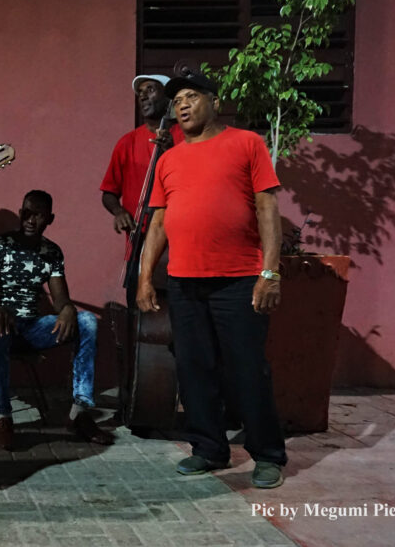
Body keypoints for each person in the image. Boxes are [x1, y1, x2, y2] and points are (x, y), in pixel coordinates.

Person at [135, 70, 288, 489]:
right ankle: (208, 448)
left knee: (247, 369)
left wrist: (269, 273)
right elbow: (158, 222)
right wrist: (146, 278)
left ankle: (268, 454)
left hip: (238, 279)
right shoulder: (168, 159)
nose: (181, 105)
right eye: (177, 100)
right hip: (184, 282)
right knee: (194, 368)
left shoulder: (246, 144)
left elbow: (267, 208)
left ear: (215, 101)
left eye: (191, 96)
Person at [0, 190, 115, 450]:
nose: (31, 220)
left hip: (31, 328)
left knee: (87, 322)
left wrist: (67, 309)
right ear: (20, 213)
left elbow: (61, 298)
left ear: (49, 219)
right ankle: (3, 419)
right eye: (27, 213)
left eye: (38, 216)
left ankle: (80, 412)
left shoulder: (51, 252)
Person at [99, 74, 183, 238]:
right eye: (140, 92)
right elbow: (109, 192)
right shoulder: (126, 142)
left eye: (150, 89)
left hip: (178, 233)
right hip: (139, 235)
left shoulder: (186, 137)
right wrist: (119, 211)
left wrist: (172, 151)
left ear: (168, 98)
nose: (143, 96)